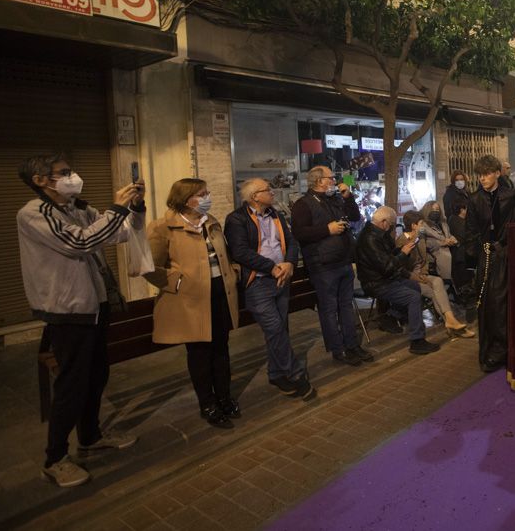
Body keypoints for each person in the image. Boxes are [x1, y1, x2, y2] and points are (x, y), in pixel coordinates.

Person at [17, 154, 142, 487]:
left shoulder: (76, 208)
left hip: (95, 304)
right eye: (64, 173)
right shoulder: (33, 213)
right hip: (67, 309)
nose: (73, 176)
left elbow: (116, 235)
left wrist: (133, 206)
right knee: (71, 383)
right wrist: (115, 209)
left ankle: (90, 435)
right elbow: (80, 242)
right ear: (41, 180)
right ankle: (55, 457)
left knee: (96, 374)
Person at [145, 179, 241, 429]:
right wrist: (177, 282)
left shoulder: (211, 223)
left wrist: (233, 271)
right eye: (202, 193)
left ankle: (224, 397)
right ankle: (207, 403)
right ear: (187, 199)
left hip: (220, 295)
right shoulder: (163, 227)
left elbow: (225, 255)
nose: (207, 196)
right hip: (190, 300)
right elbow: (150, 267)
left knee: (221, 349)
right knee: (200, 354)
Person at [225, 178, 315, 398]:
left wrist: (289, 263)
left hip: (281, 279)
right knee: (274, 329)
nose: (273, 192)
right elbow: (240, 252)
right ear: (255, 196)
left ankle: (276, 374)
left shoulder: (276, 214)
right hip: (258, 282)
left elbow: (291, 241)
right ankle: (294, 373)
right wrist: (271, 268)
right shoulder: (237, 219)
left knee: (280, 329)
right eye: (268, 190)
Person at [291, 166, 373, 366]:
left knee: (346, 306)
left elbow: (354, 217)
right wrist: (327, 230)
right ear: (319, 181)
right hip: (323, 264)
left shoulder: (335, 199)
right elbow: (299, 233)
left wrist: (348, 196)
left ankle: (352, 345)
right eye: (331, 178)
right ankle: (338, 349)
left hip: (343, 260)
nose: (335, 181)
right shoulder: (303, 204)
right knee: (329, 309)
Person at [466, 155, 515, 372]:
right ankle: (491, 350)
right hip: (486, 257)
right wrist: (477, 256)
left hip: (507, 255)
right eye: (480, 175)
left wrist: (509, 242)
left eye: (487, 174)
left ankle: (507, 350)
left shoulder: (511, 195)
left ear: (497, 173)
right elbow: (471, 232)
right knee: (487, 305)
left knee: (505, 303)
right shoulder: (474, 200)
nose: (482, 178)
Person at [355, 206, 441, 355]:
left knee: (416, 287)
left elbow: (387, 258)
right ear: (383, 222)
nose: (392, 227)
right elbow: (387, 267)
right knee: (413, 297)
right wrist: (402, 254)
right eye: (392, 224)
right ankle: (417, 340)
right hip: (376, 283)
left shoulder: (378, 235)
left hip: (385, 279)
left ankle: (391, 316)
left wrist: (401, 251)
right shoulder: (369, 238)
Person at [396, 211, 475, 338]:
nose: (423, 227)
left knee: (437, 282)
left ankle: (451, 322)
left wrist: (424, 271)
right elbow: (401, 268)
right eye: (421, 224)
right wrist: (416, 276)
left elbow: (426, 256)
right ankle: (452, 324)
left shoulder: (419, 237)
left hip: (422, 274)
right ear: (413, 225)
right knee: (434, 289)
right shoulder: (402, 241)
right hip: (409, 278)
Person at [419, 200, 457, 282]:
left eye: (437, 210)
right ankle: (447, 281)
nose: (435, 212)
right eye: (433, 210)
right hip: (435, 250)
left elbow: (449, 235)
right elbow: (423, 242)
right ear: (427, 210)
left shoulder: (443, 223)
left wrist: (453, 239)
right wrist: (442, 243)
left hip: (449, 247)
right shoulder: (422, 225)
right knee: (446, 255)